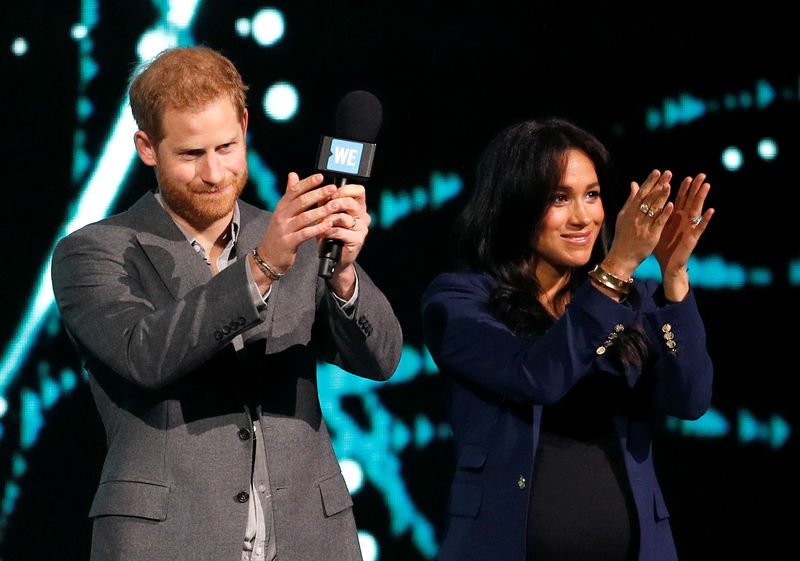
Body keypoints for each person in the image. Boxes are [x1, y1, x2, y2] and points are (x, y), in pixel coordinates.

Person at [51, 46, 402, 561]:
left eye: (226, 147)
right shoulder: (94, 251)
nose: (214, 173)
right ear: (147, 147)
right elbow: (143, 355)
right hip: (169, 541)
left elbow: (381, 358)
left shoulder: (292, 235)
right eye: (191, 155)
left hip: (310, 537)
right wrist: (261, 267)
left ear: (243, 124)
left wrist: (344, 274)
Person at [421, 118, 714, 561]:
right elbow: (536, 376)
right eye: (559, 198)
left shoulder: (633, 302)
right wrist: (615, 269)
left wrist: (673, 275)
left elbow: (690, 399)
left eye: (592, 195)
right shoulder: (461, 301)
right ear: (515, 204)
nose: (584, 217)